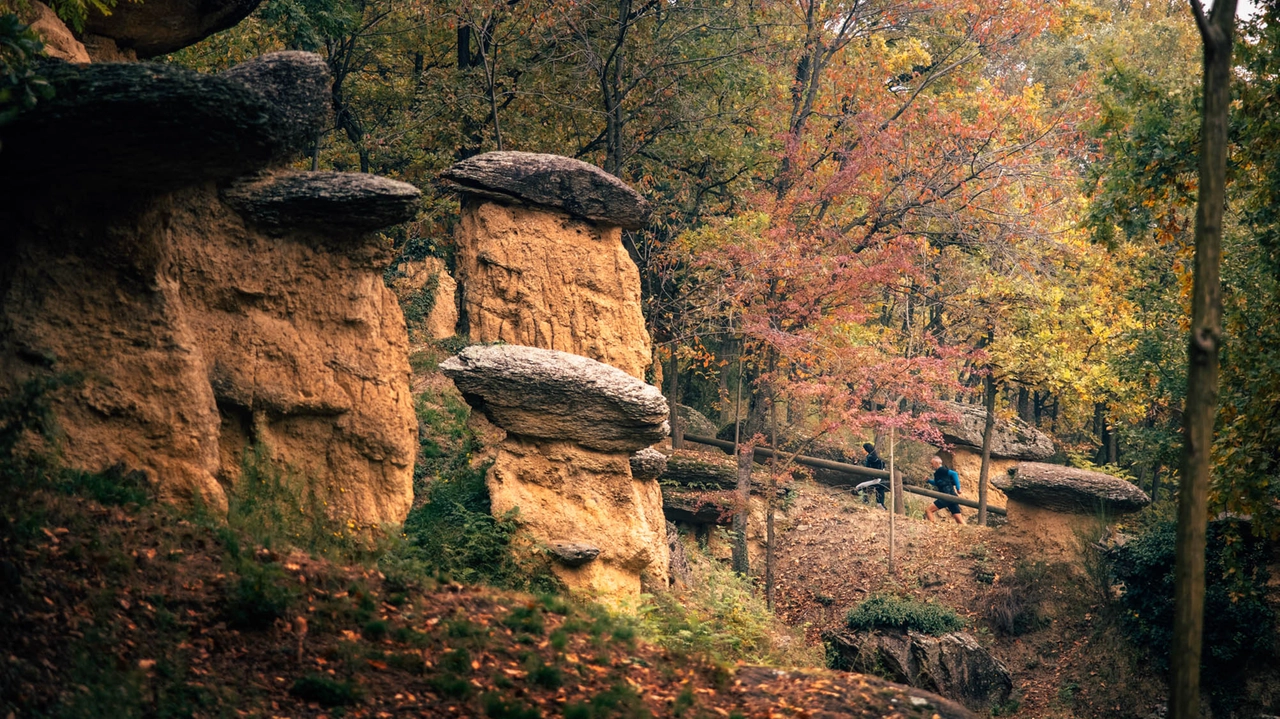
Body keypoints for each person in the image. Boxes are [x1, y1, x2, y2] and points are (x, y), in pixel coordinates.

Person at [924, 455, 964, 525]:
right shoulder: (938, 473)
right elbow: (938, 483)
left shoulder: (941, 470)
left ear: (936, 463)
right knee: (959, 521)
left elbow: (954, 473)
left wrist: (958, 488)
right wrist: (928, 481)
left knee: (928, 510)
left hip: (946, 497)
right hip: (952, 497)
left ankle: (932, 528)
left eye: (932, 463)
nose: (931, 465)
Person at [862, 442, 887, 510]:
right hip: (880, 477)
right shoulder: (877, 457)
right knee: (879, 489)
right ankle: (880, 504)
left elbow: (867, 467)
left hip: (874, 478)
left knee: (861, 487)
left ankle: (865, 501)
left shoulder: (870, 457)